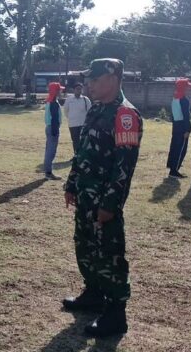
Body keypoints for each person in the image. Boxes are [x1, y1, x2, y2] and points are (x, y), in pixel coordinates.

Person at [63, 59, 143, 338]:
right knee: (85, 246)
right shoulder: (96, 109)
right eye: (89, 80)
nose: (89, 85)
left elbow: (124, 167)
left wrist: (110, 204)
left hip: (104, 202)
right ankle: (94, 293)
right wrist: (72, 183)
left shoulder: (125, 115)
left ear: (113, 79)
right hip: (85, 195)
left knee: (110, 254)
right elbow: (82, 149)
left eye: (95, 80)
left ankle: (115, 314)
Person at [166, 78, 191, 179]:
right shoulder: (184, 100)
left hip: (176, 125)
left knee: (174, 146)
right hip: (182, 126)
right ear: (183, 88)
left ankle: (172, 166)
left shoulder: (175, 98)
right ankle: (174, 171)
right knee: (181, 148)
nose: (188, 89)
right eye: (187, 87)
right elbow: (186, 116)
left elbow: (173, 114)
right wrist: (187, 129)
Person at [63, 83, 92, 154]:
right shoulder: (69, 99)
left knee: (83, 140)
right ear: (74, 90)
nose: (79, 90)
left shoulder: (86, 100)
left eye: (80, 89)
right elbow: (66, 111)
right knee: (75, 140)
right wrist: (71, 117)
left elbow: (90, 111)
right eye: (77, 89)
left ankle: (82, 155)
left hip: (83, 124)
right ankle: (76, 155)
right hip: (73, 124)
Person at [43, 82, 64, 180]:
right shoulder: (53, 103)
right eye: (59, 90)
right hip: (53, 128)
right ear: (55, 91)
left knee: (49, 150)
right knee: (51, 151)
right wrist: (55, 131)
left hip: (49, 127)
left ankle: (48, 171)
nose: (61, 92)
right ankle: (48, 172)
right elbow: (54, 119)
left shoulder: (50, 101)